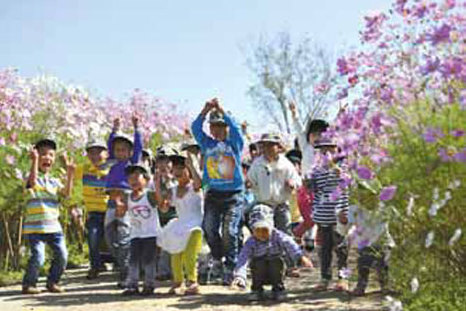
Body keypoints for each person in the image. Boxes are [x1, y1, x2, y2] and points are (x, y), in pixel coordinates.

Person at [191, 98, 244, 285]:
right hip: (213, 194)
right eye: (214, 127)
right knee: (209, 228)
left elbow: (237, 129)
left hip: (234, 195)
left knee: (230, 231)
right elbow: (195, 128)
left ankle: (232, 266)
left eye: (221, 126)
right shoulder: (207, 144)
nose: (218, 130)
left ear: (226, 128)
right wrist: (205, 110)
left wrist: (222, 110)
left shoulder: (235, 144)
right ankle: (217, 258)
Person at [22, 138, 76, 294]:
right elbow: (31, 184)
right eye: (43, 154)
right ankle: (28, 284)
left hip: (53, 226)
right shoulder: (30, 176)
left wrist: (70, 173)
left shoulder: (54, 181)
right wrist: (34, 161)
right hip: (35, 227)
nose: (47, 158)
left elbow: (66, 194)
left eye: (51, 155)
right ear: (36, 156)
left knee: (62, 255)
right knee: (38, 257)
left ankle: (53, 282)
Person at [231, 205, 313, 301]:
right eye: (258, 231)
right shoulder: (251, 242)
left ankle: (278, 289)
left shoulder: (278, 236)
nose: (261, 234)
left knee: (277, 262)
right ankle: (257, 289)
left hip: (275, 266)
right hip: (259, 268)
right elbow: (243, 258)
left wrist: (300, 257)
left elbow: (291, 245)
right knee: (258, 263)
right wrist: (240, 276)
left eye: (264, 230)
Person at [157, 150, 204, 295]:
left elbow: (199, 182)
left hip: (195, 224)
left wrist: (191, 163)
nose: (178, 171)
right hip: (179, 224)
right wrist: (157, 184)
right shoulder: (173, 190)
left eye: (181, 167)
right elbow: (164, 208)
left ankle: (192, 281)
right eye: (175, 168)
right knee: (175, 252)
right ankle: (178, 281)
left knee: (190, 254)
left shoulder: (194, 187)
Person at [104, 116, 143, 288]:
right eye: (117, 150)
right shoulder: (112, 162)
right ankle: (123, 264)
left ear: (129, 152)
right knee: (109, 236)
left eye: (123, 150)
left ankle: (126, 273)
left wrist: (136, 128)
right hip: (111, 201)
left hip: (126, 202)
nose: (120, 153)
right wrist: (115, 128)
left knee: (123, 237)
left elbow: (139, 146)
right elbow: (110, 142)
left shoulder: (131, 164)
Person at [310, 138, 349, 291]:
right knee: (324, 248)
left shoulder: (344, 166)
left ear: (336, 149)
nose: (326, 152)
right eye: (322, 149)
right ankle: (324, 278)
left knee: (341, 247)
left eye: (330, 149)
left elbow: (349, 186)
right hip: (322, 213)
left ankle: (343, 278)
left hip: (339, 211)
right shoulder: (316, 169)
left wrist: (342, 174)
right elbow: (315, 191)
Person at [247, 133, 302, 234]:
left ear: (278, 147)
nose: (266, 148)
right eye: (264, 145)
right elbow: (250, 179)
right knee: (264, 231)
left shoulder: (285, 164)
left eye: (270, 145)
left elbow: (297, 180)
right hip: (263, 204)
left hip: (281, 204)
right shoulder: (257, 164)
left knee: (284, 233)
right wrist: (249, 184)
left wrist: (292, 184)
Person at [121, 163, 161, 296]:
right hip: (135, 234)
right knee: (133, 259)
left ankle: (149, 284)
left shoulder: (149, 195)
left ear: (146, 179)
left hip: (150, 233)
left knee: (148, 259)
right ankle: (132, 284)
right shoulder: (127, 197)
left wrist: (157, 185)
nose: (133, 180)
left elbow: (160, 203)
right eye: (130, 178)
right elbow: (121, 212)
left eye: (137, 177)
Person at [74, 139, 112, 279]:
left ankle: (121, 266)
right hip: (93, 213)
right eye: (91, 152)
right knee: (93, 238)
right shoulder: (83, 170)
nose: (95, 155)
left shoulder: (111, 170)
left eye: (99, 152)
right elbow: (72, 181)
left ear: (106, 154)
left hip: (110, 211)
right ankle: (95, 266)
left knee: (115, 240)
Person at [153, 145, 178, 281]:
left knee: (168, 232)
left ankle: (165, 270)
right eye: (160, 160)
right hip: (156, 218)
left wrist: (168, 182)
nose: (163, 165)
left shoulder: (177, 180)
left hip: (174, 217)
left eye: (167, 161)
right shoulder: (152, 180)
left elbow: (170, 204)